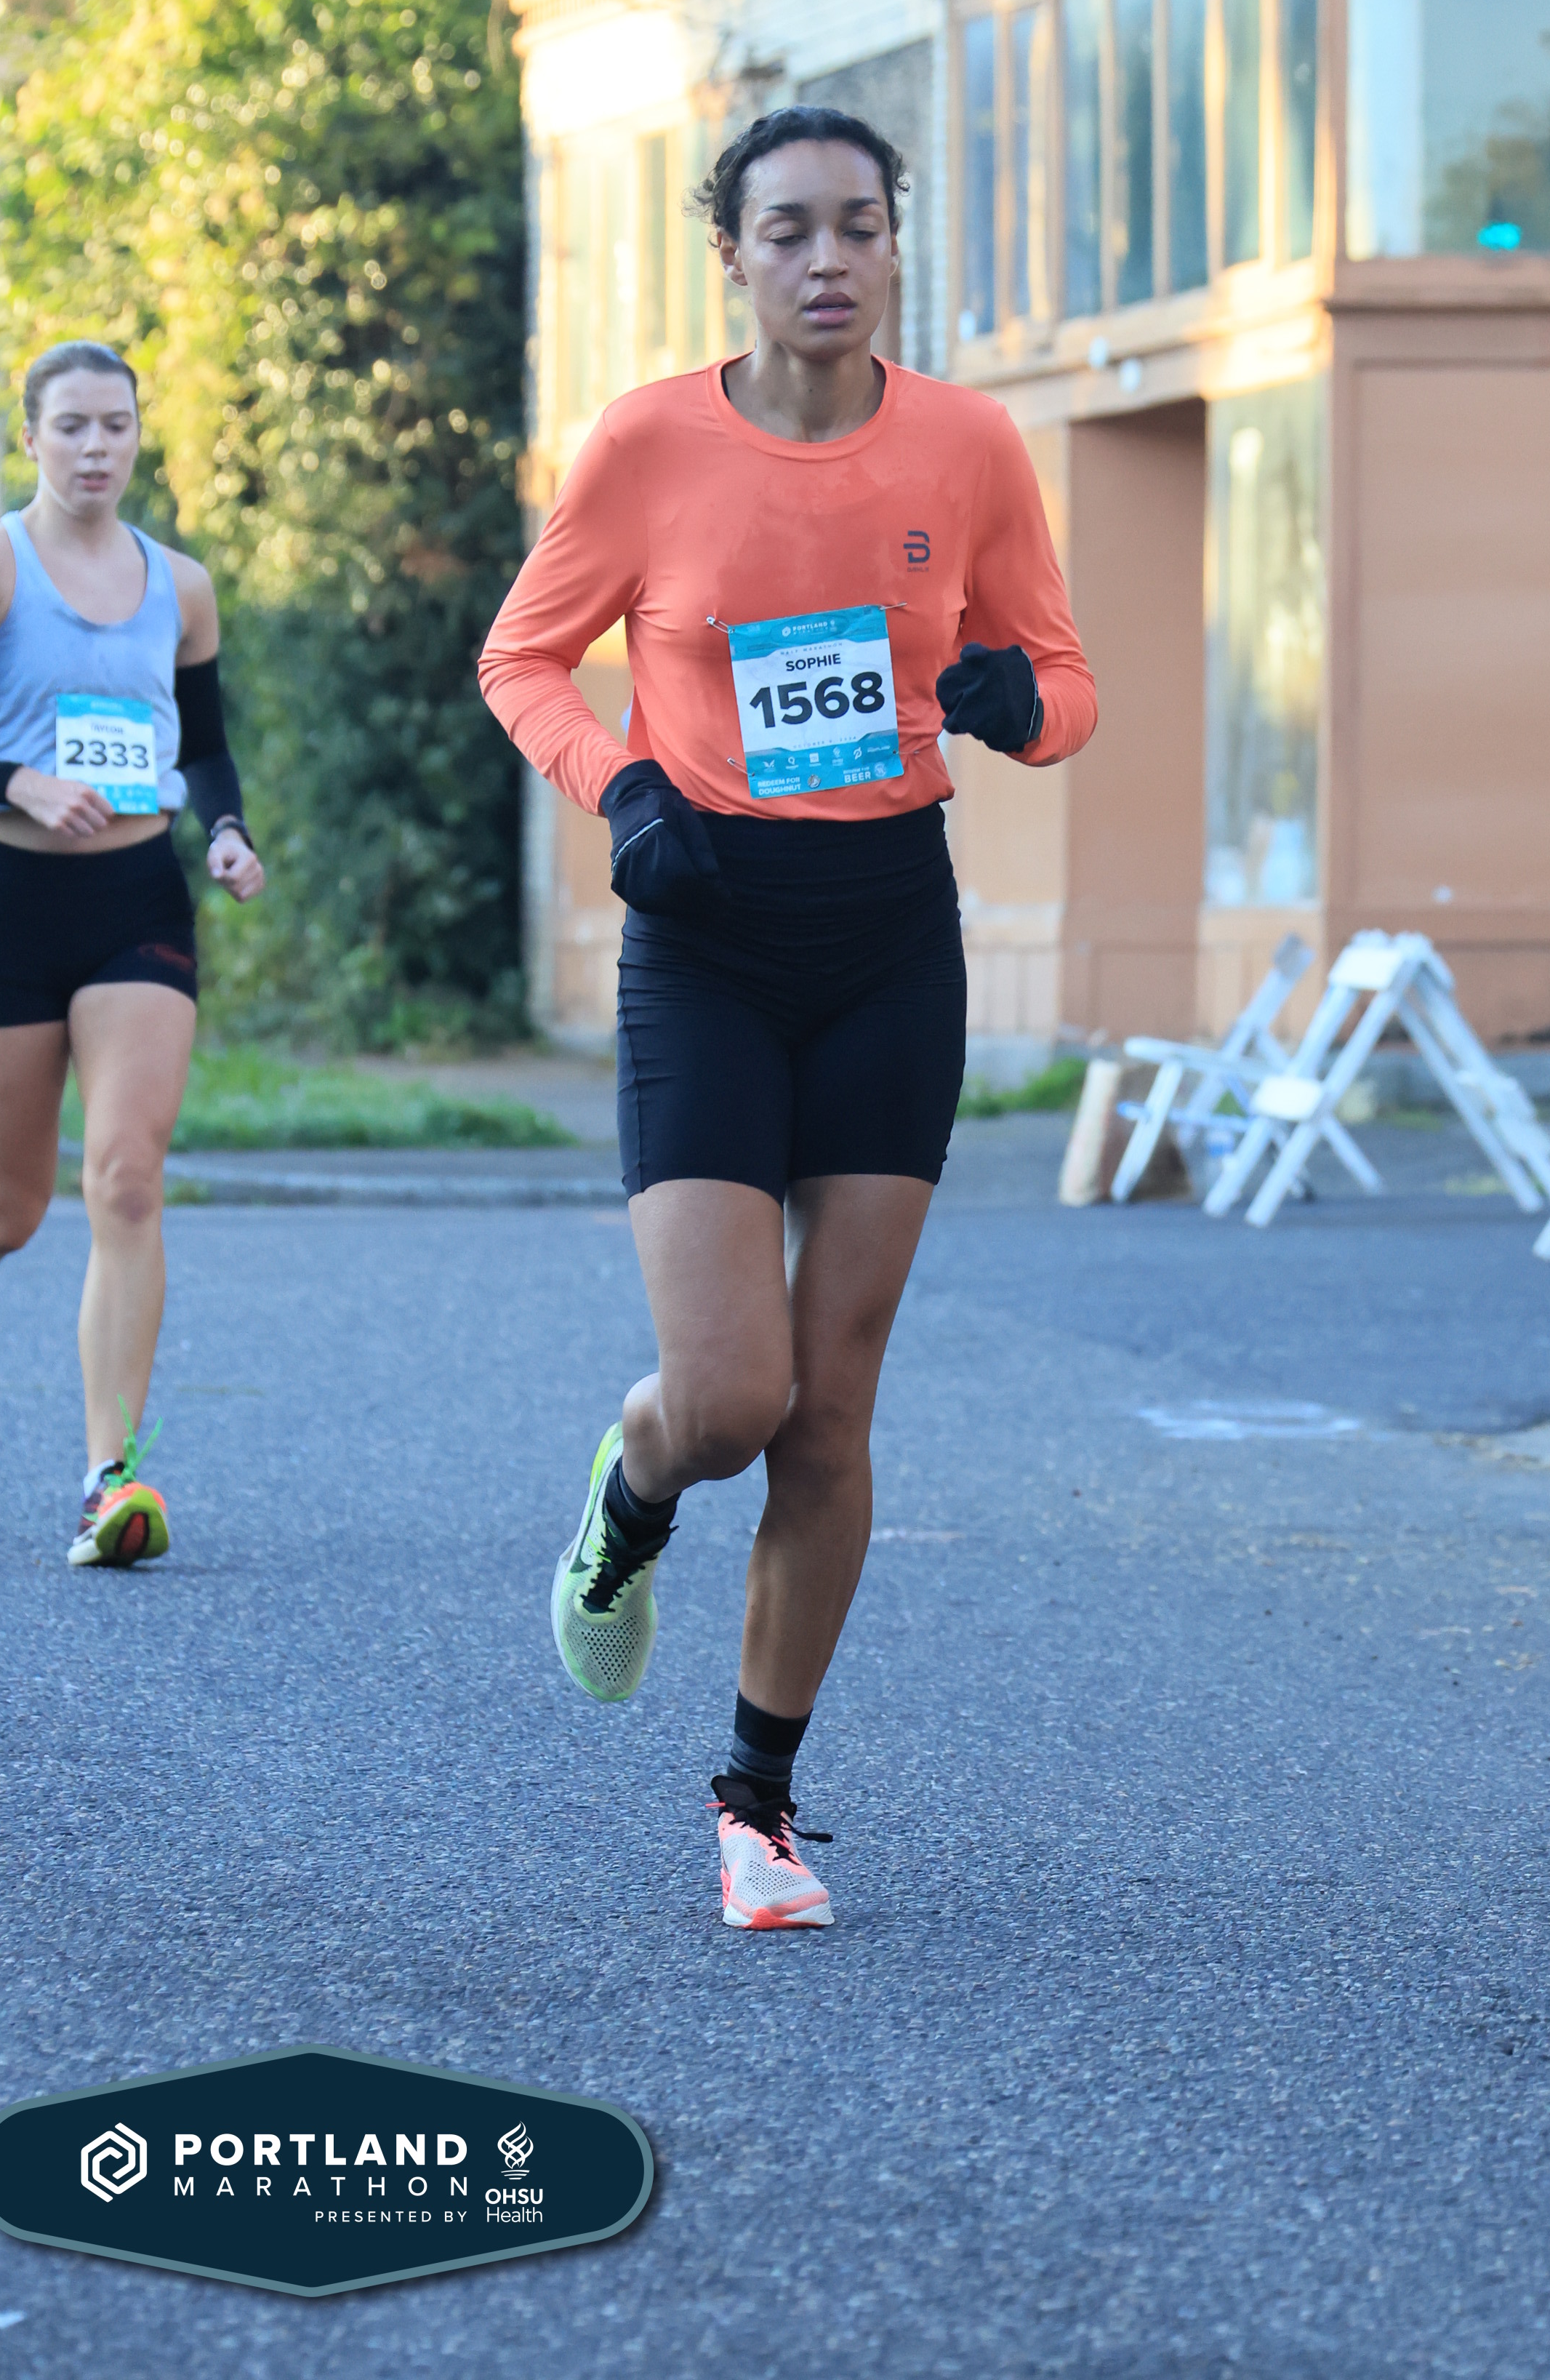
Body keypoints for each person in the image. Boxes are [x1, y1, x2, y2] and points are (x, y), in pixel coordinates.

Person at [481, 106, 1097, 1927]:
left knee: (830, 1413)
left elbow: (1065, 684)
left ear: (893, 244)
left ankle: (755, 1805)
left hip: (889, 938)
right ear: (732, 257)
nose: (827, 259)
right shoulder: (647, 444)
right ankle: (633, 1488)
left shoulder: (968, 445)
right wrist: (622, 789)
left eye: (857, 226)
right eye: (787, 231)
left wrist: (1011, 700)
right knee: (731, 1398)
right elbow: (524, 658)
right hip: (706, 941)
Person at [0, 340, 264, 1565]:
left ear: (136, 435)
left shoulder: (183, 585)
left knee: (125, 1179)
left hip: (136, 900)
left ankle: (108, 1480)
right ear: (31, 438)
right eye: (70, 426)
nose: (94, 448)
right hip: (5, 903)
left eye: (114, 424)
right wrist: (16, 778)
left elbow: (203, 744)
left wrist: (226, 830)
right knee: (9, 1209)